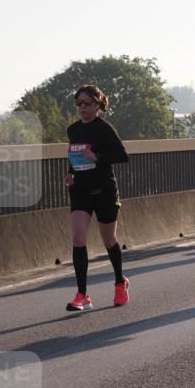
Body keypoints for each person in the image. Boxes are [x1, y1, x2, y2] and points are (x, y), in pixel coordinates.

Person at [65, 84, 130, 311]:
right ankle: (82, 294)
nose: (82, 107)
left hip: (104, 190)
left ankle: (120, 283)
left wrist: (96, 156)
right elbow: (74, 154)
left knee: (108, 240)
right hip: (81, 189)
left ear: (97, 105)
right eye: (79, 103)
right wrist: (70, 173)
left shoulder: (104, 129)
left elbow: (122, 156)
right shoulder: (73, 130)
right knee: (78, 238)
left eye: (87, 103)